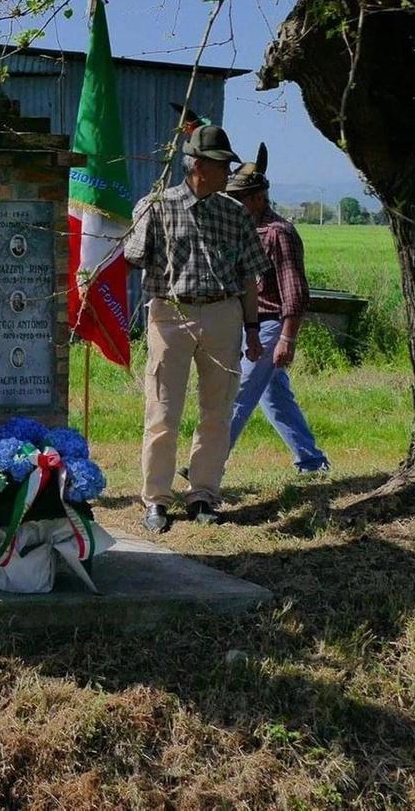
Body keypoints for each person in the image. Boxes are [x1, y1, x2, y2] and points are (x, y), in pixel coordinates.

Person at [123, 125, 271, 533]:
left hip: (224, 315)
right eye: (222, 165)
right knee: (162, 410)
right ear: (198, 167)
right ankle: (156, 500)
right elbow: (131, 257)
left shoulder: (235, 213)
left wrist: (254, 329)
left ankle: (203, 494)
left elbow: (248, 278)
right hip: (170, 314)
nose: (229, 173)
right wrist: (143, 216)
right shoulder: (158, 205)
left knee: (218, 410)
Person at [225, 146, 331, 473]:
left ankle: (208, 464)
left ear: (258, 198)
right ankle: (312, 462)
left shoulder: (278, 233)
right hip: (248, 325)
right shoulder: (243, 230)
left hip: (270, 325)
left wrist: (288, 338)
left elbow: (294, 290)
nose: (233, 204)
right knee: (275, 398)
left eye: (239, 198)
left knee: (238, 396)